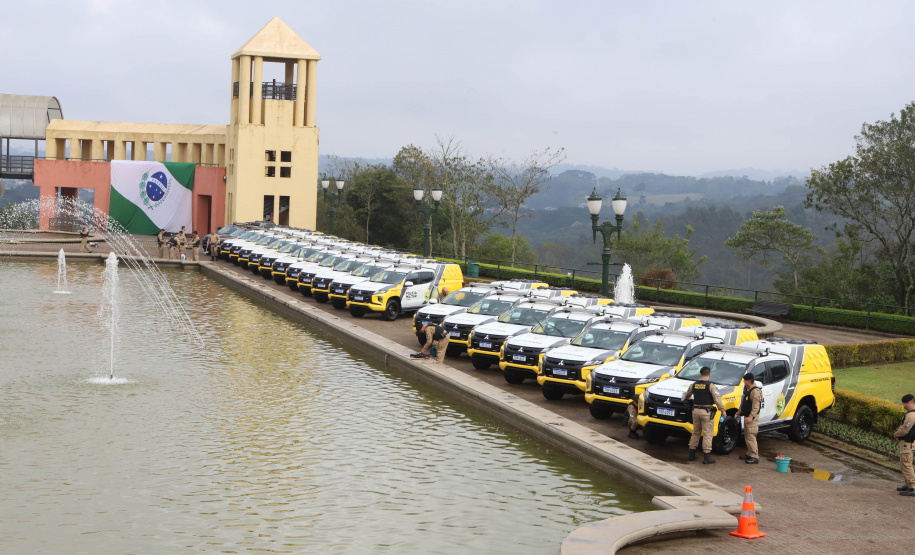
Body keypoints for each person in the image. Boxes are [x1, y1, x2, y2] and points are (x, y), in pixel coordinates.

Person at [682, 366, 726, 464]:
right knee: (707, 434)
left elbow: (687, 395)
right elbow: (717, 399)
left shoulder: (694, 384)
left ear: (700, 374)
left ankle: (691, 454)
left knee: (695, 432)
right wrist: (723, 410)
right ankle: (706, 457)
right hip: (706, 412)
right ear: (709, 374)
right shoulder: (711, 386)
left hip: (696, 411)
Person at [738, 373, 762, 464]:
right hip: (747, 416)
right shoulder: (748, 390)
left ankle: (754, 456)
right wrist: (740, 411)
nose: (743, 383)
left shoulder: (755, 392)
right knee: (747, 436)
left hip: (752, 418)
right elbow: (745, 402)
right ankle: (749, 453)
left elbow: (756, 407)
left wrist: (751, 417)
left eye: (744, 381)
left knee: (751, 436)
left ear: (748, 381)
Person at [894, 394, 915, 496]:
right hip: (907, 443)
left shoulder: (911, 415)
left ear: (908, 402)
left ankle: (912, 488)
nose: (903, 405)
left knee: (906, 465)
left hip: (907, 443)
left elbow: (905, 428)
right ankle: (908, 484)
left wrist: (896, 434)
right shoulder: (911, 413)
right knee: (905, 464)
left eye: (904, 403)